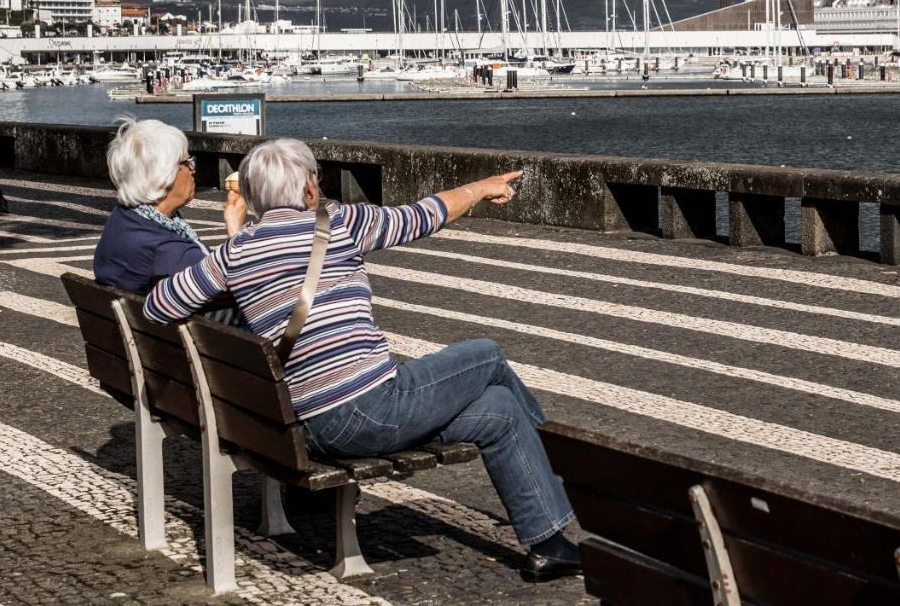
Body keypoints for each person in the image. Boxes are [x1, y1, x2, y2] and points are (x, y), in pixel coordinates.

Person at [144, 138, 581, 582]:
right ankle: (574, 478)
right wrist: (481, 187)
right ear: (311, 190)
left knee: (500, 412)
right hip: (370, 412)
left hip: (305, 429)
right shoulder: (341, 223)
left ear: (252, 197)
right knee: (486, 355)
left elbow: (158, 306)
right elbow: (425, 214)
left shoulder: (234, 254)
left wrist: (238, 250)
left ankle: (548, 544)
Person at [94, 118, 245, 294]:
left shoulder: (123, 218)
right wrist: (235, 230)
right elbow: (239, 284)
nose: (193, 169)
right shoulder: (165, 248)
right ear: (164, 174)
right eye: (187, 163)